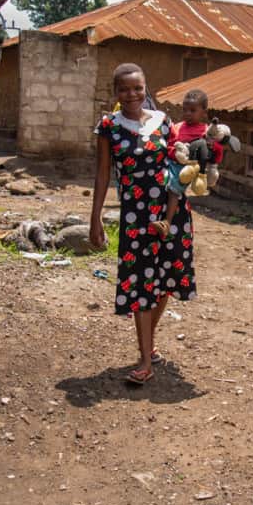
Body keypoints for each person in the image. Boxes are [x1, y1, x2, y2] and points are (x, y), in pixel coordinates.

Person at [90, 63, 197, 384]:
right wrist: (94, 217)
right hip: (136, 218)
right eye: (125, 90)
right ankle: (145, 359)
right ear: (116, 94)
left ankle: (147, 344)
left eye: (137, 88)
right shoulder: (109, 126)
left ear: (145, 88)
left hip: (172, 214)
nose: (132, 94)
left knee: (165, 281)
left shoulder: (164, 123)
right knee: (141, 285)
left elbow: (181, 162)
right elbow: (103, 173)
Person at [151, 89, 223, 238]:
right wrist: (176, 154)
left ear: (204, 112)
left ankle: (167, 222)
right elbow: (169, 145)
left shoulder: (206, 131)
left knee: (174, 189)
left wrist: (210, 148)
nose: (188, 113)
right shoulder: (177, 127)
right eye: (185, 110)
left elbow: (216, 152)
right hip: (172, 162)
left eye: (192, 110)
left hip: (188, 168)